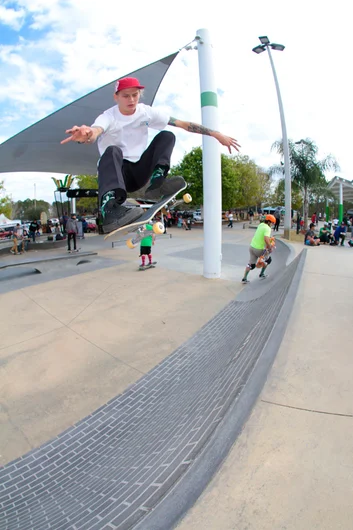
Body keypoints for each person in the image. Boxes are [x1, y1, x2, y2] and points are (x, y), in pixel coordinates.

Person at [61, 76, 240, 234]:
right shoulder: (108, 116)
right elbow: (95, 131)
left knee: (167, 136)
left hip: (139, 172)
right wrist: (86, 134)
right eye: (125, 96)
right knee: (113, 151)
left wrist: (216, 134)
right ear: (116, 97)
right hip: (116, 174)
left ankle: (158, 182)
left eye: (135, 95)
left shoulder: (147, 112)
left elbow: (182, 123)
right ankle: (110, 210)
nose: (131, 100)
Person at [241, 214, 276, 284]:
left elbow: (261, 235)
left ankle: (244, 278)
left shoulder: (261, 224)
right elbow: (266, 239)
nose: (272, 224)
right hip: (259, 249)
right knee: (268, 260)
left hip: (252, 247)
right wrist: (270, 247)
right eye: (272, 223)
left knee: (251, 265)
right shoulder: (268, 228)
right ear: (269, 222)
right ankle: (262, 274)